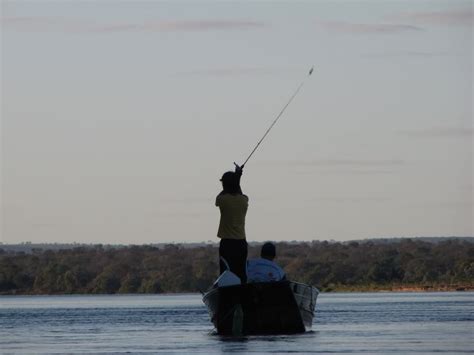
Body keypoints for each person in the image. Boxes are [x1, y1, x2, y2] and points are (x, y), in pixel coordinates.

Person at [216, 164, 248, 283]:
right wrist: (237, 177)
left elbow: (218, 198)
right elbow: (238, 192)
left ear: (225, 185)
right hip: (241, 243)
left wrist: (236, 177)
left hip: (228, 244)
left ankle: (227, 298)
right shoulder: (244, 200)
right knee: (241, 273)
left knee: (226, 273)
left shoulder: (222, 200)